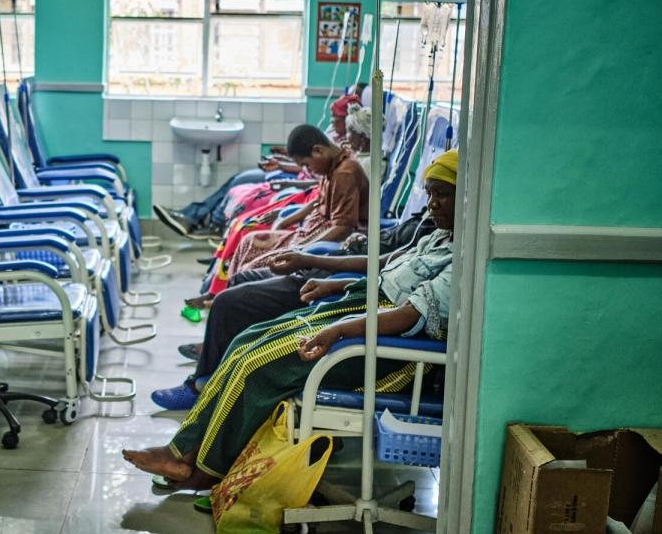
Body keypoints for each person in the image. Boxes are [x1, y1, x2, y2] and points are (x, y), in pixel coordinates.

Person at [125, 150, 457, 487]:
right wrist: (332, 282)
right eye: (430, 193)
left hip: (384, 347)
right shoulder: (436, 237)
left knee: (259, 365)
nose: (432, 203)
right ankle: (184, 449)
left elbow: (406, 315)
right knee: (247, 340)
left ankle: (205, 470)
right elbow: (385, 267)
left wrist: (337, 330)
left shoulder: (460, 263)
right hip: (358, 311)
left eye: (442, 194)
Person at [198, 125, 368, 298]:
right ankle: (223, 295)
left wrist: (303, 251)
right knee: (250, 241)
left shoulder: (345, 173)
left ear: (318, 151)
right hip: (307, 232)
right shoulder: (332, 166)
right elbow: (318, 202)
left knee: (255, 267)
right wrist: (285, 221)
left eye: (306, 165)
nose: (308, 171)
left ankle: (233, 299)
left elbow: (342, 228)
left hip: (318, 240)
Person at [153, 147, 299, 238]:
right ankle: (196, 217)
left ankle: (206, 221)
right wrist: (288, 156)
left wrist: (283, 163)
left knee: (239, 181)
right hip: (291, 170)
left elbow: (309, 168)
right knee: (236, 179)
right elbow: (306, 162)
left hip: (294, 176)